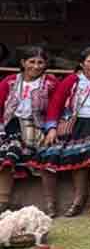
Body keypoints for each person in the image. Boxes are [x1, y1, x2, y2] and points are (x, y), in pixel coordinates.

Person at [36, 46, 90, 217]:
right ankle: (50, 203)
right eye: (89, 61)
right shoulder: (72, 80)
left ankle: (78, 200)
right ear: (82, 64)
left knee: (83, 152)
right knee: (48, 152)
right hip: (71, 125)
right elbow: (56, 104)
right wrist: (51, 128)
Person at [0, 46, 59, 215]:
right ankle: (2, 202)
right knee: (6, 150)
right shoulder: (10, 81)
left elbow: (56, 107)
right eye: (31, 62)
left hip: (38, 127)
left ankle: (50, 204)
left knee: (49, 155)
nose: (36, 66)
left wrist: (52, 128)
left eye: (40, 62)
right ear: (23, 63)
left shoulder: (50, 83)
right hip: (10, 126)